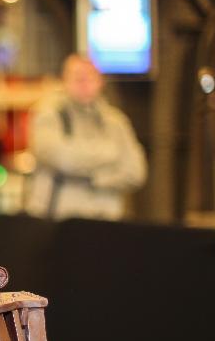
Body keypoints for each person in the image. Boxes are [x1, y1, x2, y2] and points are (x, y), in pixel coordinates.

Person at [26, 54, 146, 221]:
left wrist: (97, 178)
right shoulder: (49, 114)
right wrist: (109, 154)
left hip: (105, 221)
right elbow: (60, 158)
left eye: (89, 77)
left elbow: (135, 172)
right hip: (58, 221)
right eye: (77, 77)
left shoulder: (116, 121)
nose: (84, 83)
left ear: (100, 81)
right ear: (64, 80)